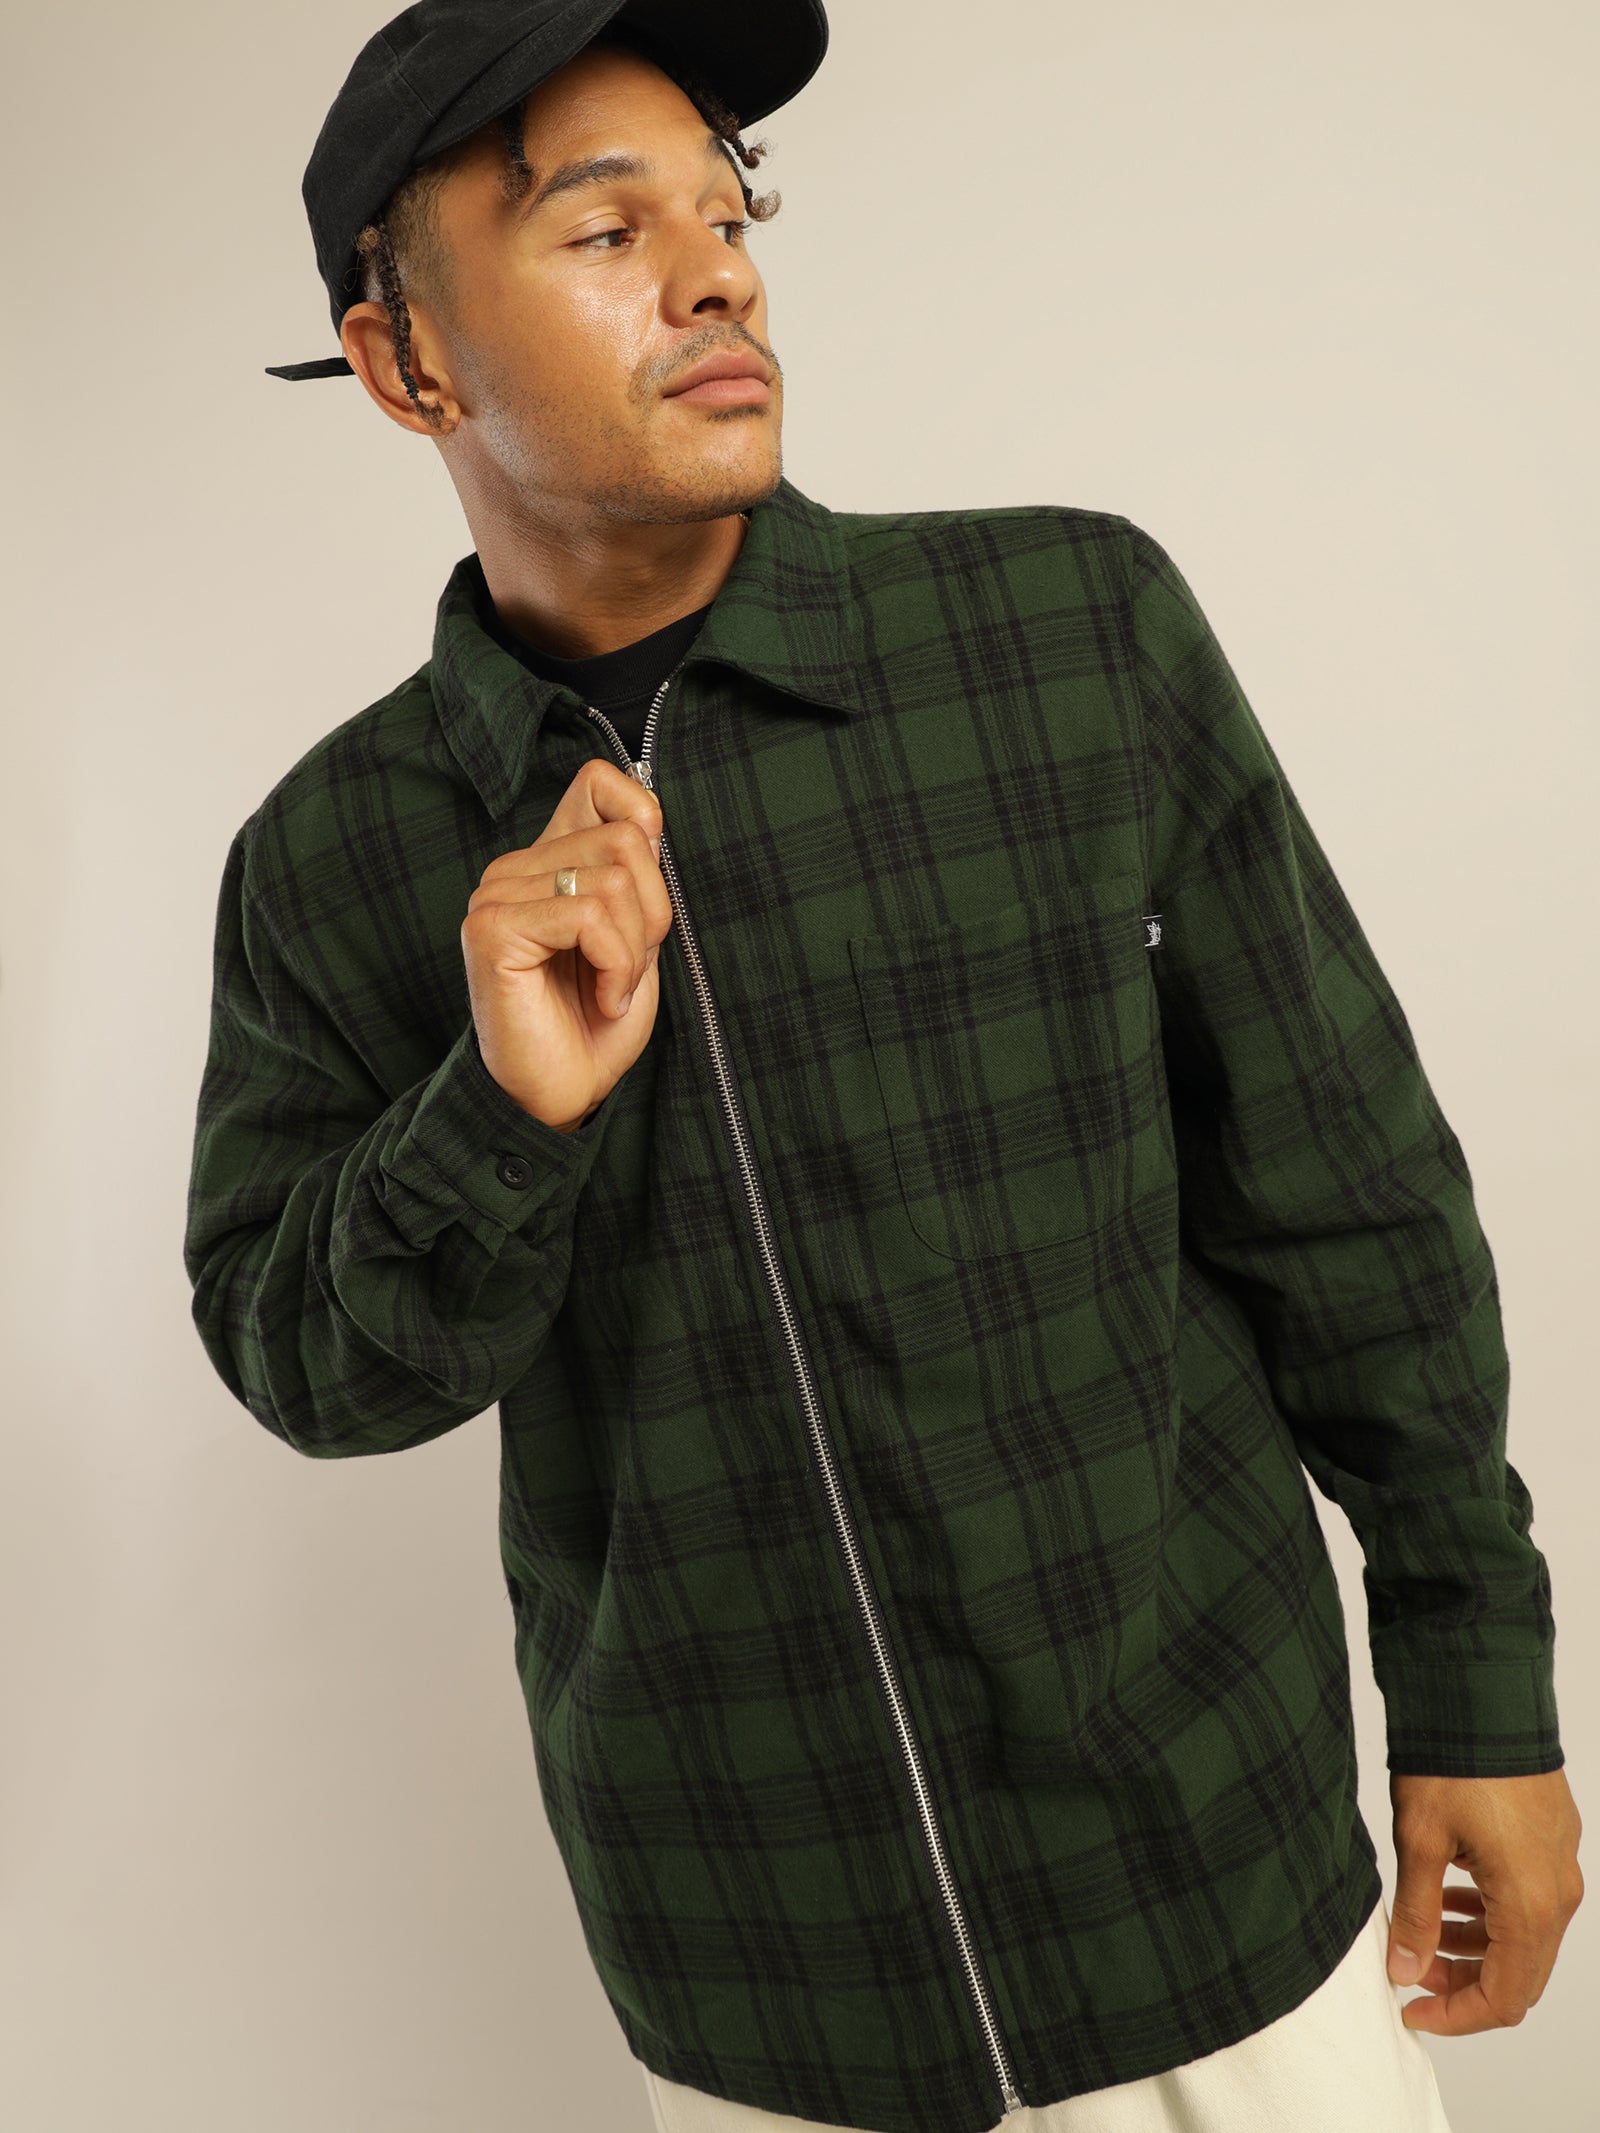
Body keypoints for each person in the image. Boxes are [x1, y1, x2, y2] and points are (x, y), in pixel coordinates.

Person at [183, 4, 1583, 2130]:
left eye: (728, 211)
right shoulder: (333, 860)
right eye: (604, 227)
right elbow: (308, 1368)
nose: (715, 275)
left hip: (1220, 1899)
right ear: (404, 361)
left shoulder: (1067, 629)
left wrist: (1475, 1680)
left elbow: (1351, 1197)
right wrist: (499, 1112)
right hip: (769, 1987)